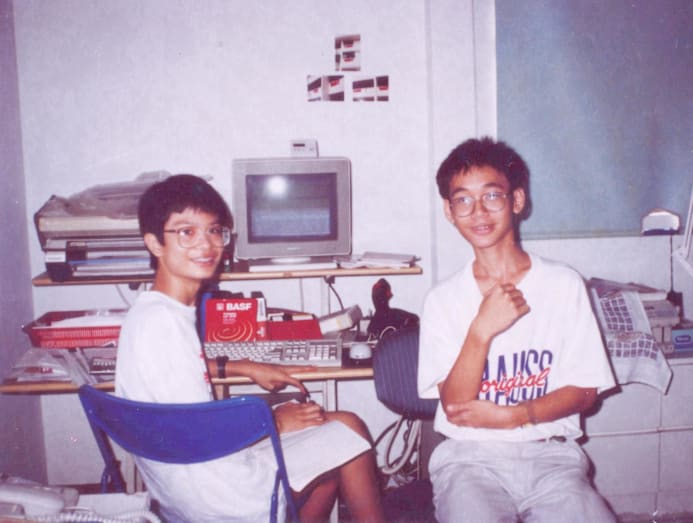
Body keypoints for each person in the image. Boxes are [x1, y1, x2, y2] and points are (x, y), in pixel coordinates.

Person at [115, 174, 384, 523]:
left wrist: (240, 366)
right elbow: (194, 434)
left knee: (327, 461)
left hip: (180, 492)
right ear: (154, 243)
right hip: (225, 495)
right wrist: (273, 422)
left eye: (214, 230)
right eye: (186, 232)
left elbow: (174, 375)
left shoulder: (150, 312)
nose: (206, 244)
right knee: (348, 428)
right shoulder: (164, 324)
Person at [417, 137, 617, 523]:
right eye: (463, 200)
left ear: (517, 200)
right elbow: (456, 407)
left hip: (551, 455)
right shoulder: (442, 300)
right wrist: (481, 331)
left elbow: (585, 392)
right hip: (469, 458)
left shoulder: (562, 284)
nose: (478, 211)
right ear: (449, 211)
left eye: (492, 196)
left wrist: (513, 416)